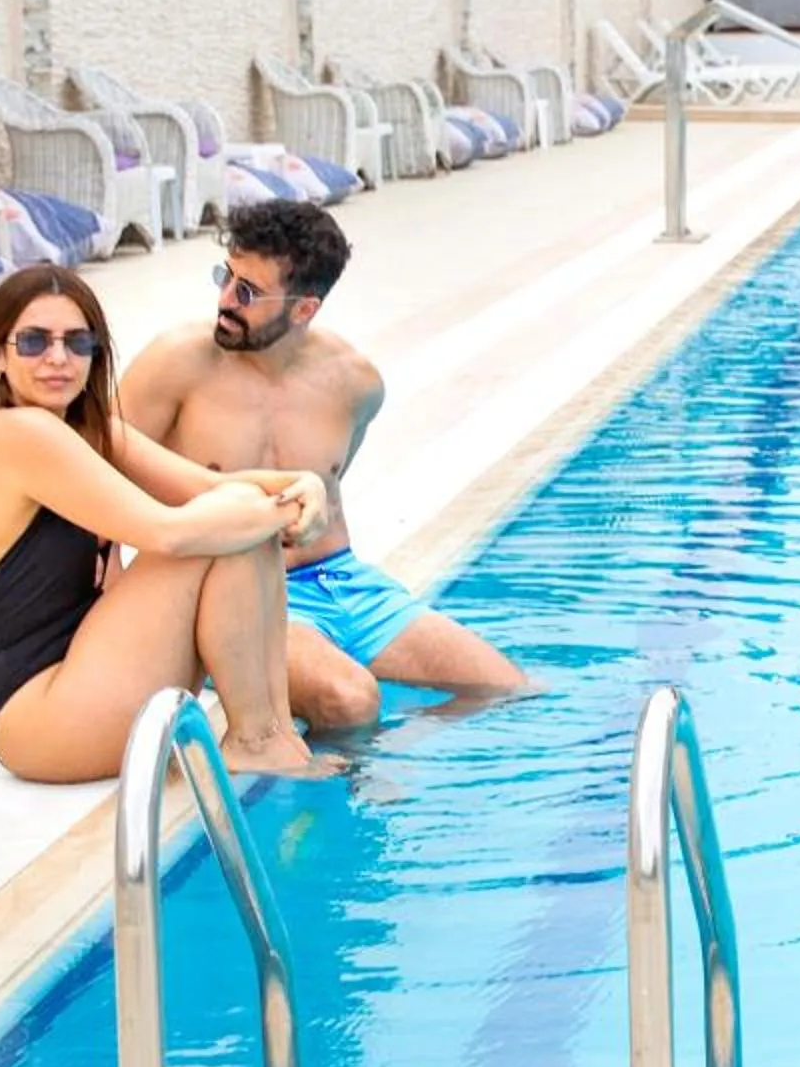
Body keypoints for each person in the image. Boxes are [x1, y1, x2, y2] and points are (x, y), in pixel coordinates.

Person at [120, 199, 527, 733]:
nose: (225, 300)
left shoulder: (355, 384)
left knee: (506, 690)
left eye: (248, 292)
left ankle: (391, 765)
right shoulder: (178, 363)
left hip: (344, 583)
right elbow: (100, 469)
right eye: (226, 276)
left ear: (304, 309)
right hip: (238, 593)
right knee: (347, 699)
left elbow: (329, 490)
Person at [0, 265, 330, 783]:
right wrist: (282, 509)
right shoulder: (14, 434)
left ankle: (273, 738)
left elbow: (206, 487)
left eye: (77, 342)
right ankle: (255, 741)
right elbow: (165, 531)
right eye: (34, 341)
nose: (58, 358)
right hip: (42, 719)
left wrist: (305, 484)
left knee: (235, 514)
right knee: (224, 529)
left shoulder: (90, 427)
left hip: (95, 677)